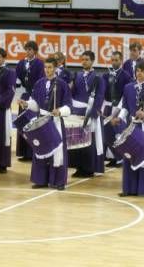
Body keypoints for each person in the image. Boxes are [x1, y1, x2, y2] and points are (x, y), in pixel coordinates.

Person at [20, 57, 72, 190]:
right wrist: (27, 104)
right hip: (41, 120)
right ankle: (41, 180)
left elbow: (68, 105)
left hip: (54, 120)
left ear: (55, 68)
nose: (47, 70)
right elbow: (35, 104)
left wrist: (60, 111)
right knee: (40, 149)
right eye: (45, 67)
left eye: (50, 67)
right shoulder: (39, 83)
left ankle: (58, 181)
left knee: (57, 151)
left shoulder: (62, 84)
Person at [113, 61, 144, 200]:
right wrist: (120, 118)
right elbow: (125, 107)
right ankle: (129, 188)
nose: (138, 73)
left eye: (141, 71)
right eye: (137, 70)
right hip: (133, 126)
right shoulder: (128, 88)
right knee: (130, 155)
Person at [69, 51, 106, 177]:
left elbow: (100, 97)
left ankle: (89, 168)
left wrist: (92, 114)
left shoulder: (98, 78)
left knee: (90, 141)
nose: (84, 61)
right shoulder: (77, 76)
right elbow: (72, 94)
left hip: (90, 113)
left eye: (87, 59)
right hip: (77, 113)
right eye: (82, 59)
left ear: (92, 61)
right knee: (78, 140)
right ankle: (79, 167)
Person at [102, 51, 134, 167]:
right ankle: (115, 157)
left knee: (119, 134)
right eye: (112, 60)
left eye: (116, 60)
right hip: (107, 107)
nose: (114, 62)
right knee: (107, 135)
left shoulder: (126, 76)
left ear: (121, 61)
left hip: (119, 107)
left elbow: (127, 94)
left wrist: (120, 110)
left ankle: (122, 157)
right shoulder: (105, 76)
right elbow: (101, 92)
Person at [15, 41, 45, 161]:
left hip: (35, 96)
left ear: (35, 51)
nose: (27, 52)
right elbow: (17, 78)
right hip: (25, 95)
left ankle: (33, 152)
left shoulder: (40, 63)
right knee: (23, 122)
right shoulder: (21, 63)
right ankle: (23, 152)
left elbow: (41, 80)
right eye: (26, 49)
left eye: (30, 49)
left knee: (32, 124)